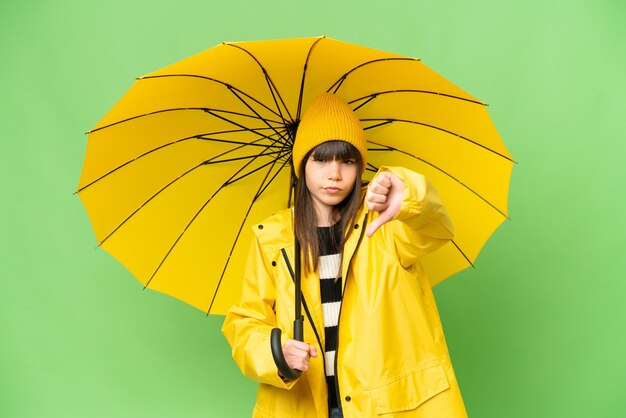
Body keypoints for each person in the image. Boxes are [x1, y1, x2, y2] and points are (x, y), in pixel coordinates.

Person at [222, 93, 468, 417]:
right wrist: (276, 353)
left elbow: (435, 229)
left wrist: (407, 196)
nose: (334, 173)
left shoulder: (383, 223)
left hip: (384, 406)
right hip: (304, 405)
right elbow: (246, 324)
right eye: (321, 160)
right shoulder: (272, 240)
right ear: (301, 165)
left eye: (347, 161)